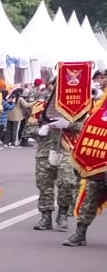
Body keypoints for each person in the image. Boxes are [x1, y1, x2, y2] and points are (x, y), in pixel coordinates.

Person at [33, 88, 82, 232]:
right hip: (45, 151)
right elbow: (27, 129)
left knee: (67, 183)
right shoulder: (41, 107)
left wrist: (69, 124)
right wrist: (40, 130)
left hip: (67, 150)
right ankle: (45, 217)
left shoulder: (78, 108)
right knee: (44, 185)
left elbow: (87, 127)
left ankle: (62, 215)